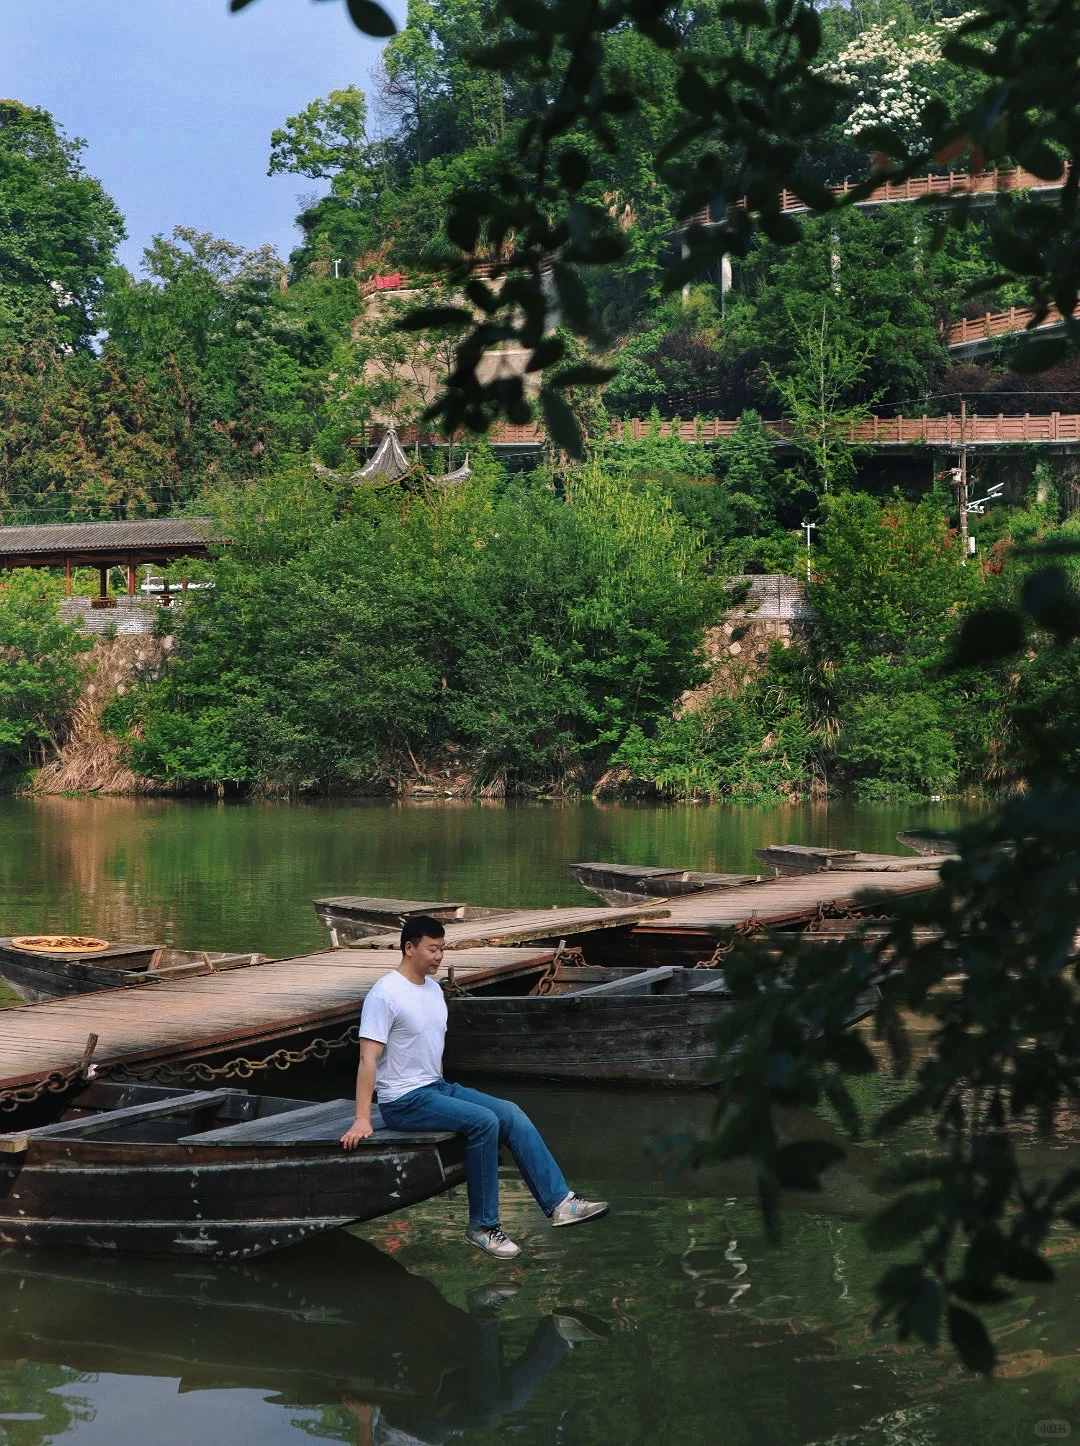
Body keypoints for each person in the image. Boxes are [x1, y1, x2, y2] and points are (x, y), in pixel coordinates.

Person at [341, 915, 609, 1259]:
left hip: (435, 1088)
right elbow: (368, 1060)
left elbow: (430, 1046)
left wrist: (441, 1089)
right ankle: (483, 1226)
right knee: (484, 1121)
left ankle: (560, 1202)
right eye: (432, 949)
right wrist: (362, 1118)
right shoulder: (385, 994)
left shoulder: (434, 989)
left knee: (509, 1113)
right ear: (409, 949)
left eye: (442, 949)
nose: (439, 957)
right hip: (402, 1101)